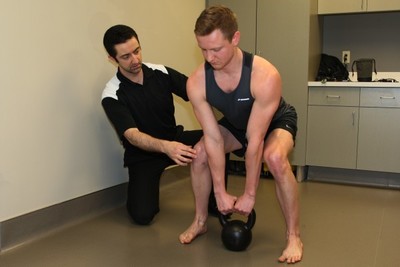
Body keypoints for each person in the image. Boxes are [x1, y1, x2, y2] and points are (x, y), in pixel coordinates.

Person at [179, 6, 303, 264]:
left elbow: (255, 140)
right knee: (199, 153)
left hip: (274, 123)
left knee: (276, 159)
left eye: (216, 49)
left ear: (235, 39)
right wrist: (220, 192)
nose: (209, 57)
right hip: (237, 124)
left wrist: (249, 194)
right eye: (203, 49)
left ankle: (294, 235)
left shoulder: (265, 75)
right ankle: (200, 221)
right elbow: (213, 138)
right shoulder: (197, 82)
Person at [101, 24, 205, 225]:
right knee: (142, 215)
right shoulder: (111, 94)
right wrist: (166, 147)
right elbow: (131, 135)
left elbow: (197, 93)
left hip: (174, 139)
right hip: (143, 155)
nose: (135, 60)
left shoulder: (161, 72)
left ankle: (215, 203)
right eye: (126, 57)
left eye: (137, 51)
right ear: (112, 60)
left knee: (217, 138)